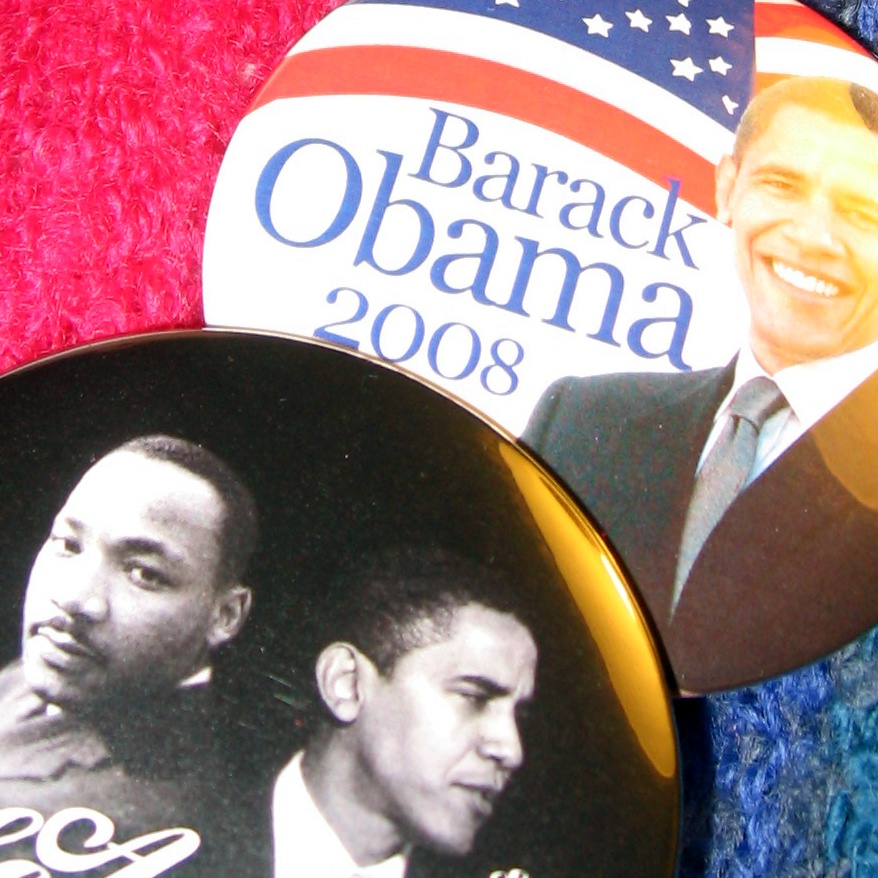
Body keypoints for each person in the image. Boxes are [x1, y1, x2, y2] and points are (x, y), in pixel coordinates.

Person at [524, 76, 878, 693]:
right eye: (782, 184)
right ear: (727, 188)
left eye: (864, 212)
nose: (812, 237)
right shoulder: (580, 418)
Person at [0, 435, 259, 875]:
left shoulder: (157, 822)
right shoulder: (45, 671)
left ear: (225, 616)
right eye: (68, 544)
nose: (75, 598)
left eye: (143, 573)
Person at [271, 546, 538, 878]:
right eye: (474, 697)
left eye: (519, 716)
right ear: (346, 684)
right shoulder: (208, 813)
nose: (512, 750)